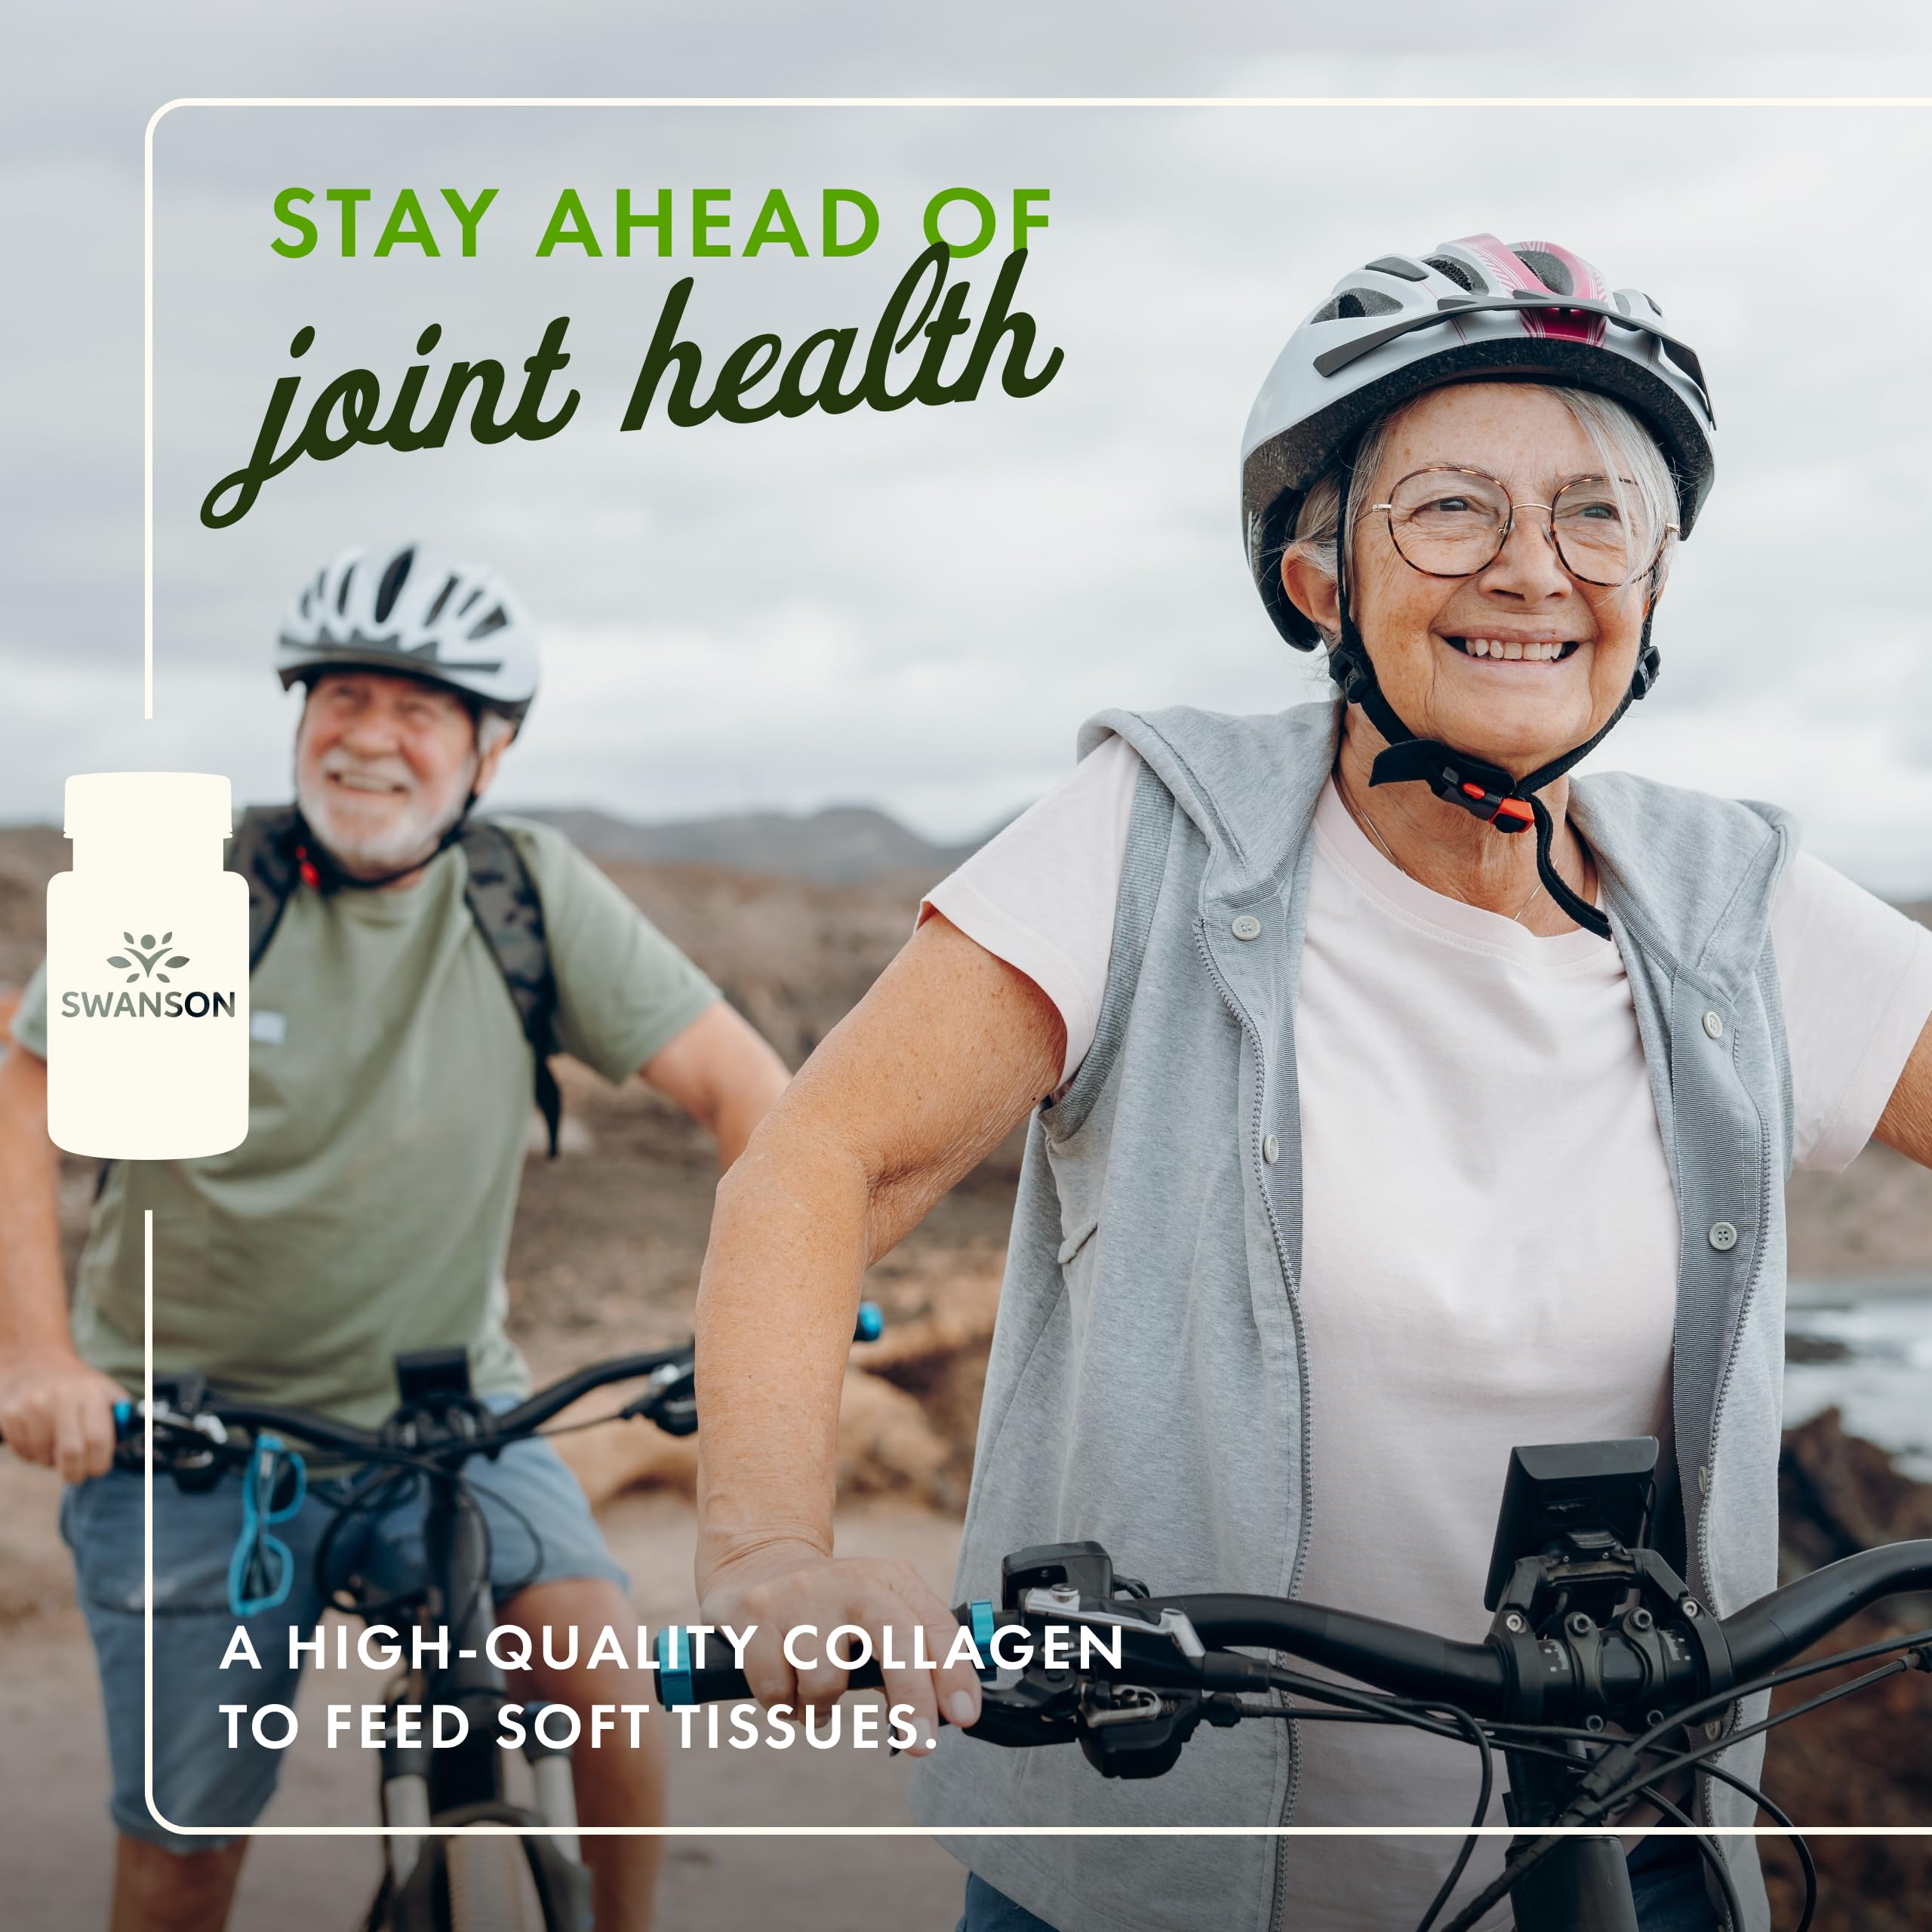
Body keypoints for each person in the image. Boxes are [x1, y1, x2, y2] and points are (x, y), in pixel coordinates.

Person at [685, 235, 1932, 1932]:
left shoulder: (1731, 900)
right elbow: (817, 1160)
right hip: (1157, 1835)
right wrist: (769, 1555)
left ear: (1652, 581)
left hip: (1621, 1840)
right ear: (1314, 574)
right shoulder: (1154, 837)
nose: (1528, 570)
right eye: (1447, 509)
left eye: (1595, 512)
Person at [0, 542, 792, 1932]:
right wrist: (42, 1360)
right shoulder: (197, 891)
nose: (371, 736)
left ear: (489, 753)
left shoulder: (525, 892)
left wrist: (763, 1321)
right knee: (185, 1854)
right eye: (340, 697)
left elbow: (753, 1098)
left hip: (450, 1408)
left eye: (421, 709)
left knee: (599, 1672)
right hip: (183, 1434)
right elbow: (25, 1102)